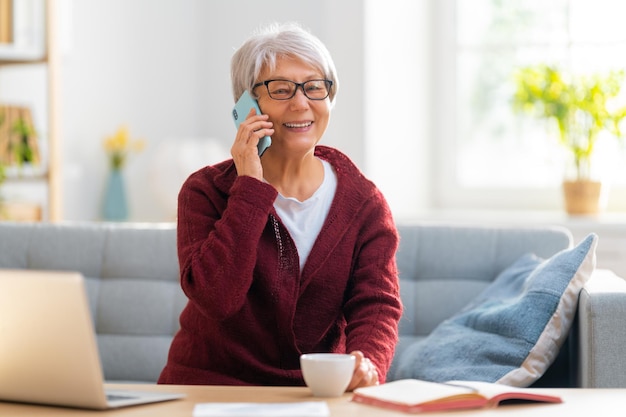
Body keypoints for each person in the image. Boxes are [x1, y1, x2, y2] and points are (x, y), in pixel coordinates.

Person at [158, 22, 402, 391]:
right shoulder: (204, 191)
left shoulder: (364, 203)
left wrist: (366, 363)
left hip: (313, 393)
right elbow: (217, 299)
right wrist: (249, 188)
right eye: (281, 89)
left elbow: (377, 305)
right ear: (246, 105)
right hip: (207, 387)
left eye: (315, 87)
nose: (301, 103)